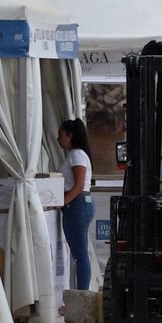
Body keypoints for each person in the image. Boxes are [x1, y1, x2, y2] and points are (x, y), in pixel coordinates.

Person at [57, 118, 95, 291]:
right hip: (80, 205)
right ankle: (79, 292)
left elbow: (79, 185)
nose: (58, 139)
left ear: (69, 135)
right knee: (80, 254)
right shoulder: (78, 155)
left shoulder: (76, 155)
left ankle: (82, 294)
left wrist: (63, 201)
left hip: (76, 206)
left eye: (61, 135)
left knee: (80, 255)